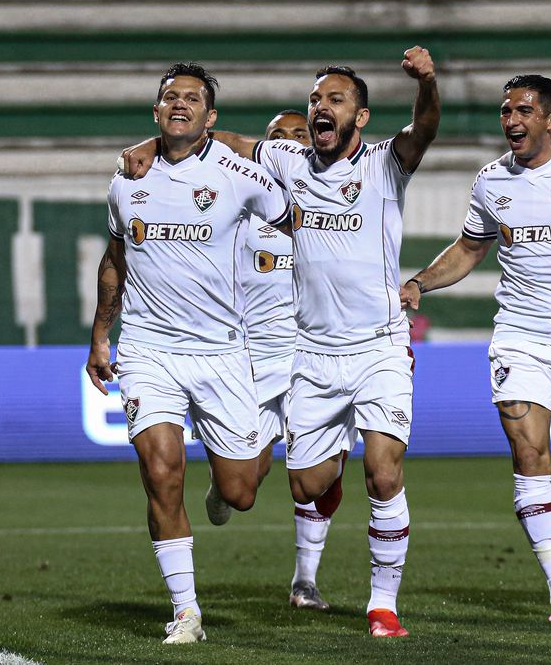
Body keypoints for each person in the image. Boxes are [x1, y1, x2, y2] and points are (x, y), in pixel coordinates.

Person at [121, 46, 440, 637]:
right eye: (314, 98)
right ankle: (298, 524)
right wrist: (155, 149)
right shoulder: (284, 167)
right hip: (302, 353)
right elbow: (233, 142)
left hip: (378, 346)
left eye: (333, 100)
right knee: (300, 485)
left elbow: (423, 129)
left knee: (384, 471)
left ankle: (382, 605)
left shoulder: (384, 165)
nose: (319, 108)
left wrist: (426, 83)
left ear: (360, 116)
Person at [400, 74, 551, 622]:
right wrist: (420, 280)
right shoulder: (492, 181)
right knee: (529, 455)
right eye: (505, 111)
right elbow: (470, 248)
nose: (511, 120)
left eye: (524, 111)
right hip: (520, 336)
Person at [86, 62, 290, 644]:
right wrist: (101, 336)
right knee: (160, 472)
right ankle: (185, 610)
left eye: (193, 99)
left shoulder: (239, 175)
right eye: (170, 97)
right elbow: (115, 259)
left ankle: (223, 486)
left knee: (241, 492)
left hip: (223, 350)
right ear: (156, 110)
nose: (179, 104)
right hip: (150, 349)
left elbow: (293, 222)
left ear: (211, 117)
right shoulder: (126, 179)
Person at [241, 109, 343, 611]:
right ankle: (225, 485)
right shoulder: (237, 208)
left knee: (323, 475)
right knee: (243, 482)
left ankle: (305, 580)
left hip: (319, 354)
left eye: (296, 136)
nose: (284, 144)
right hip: (256, 359)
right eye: (274, 137)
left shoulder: (333, 206)